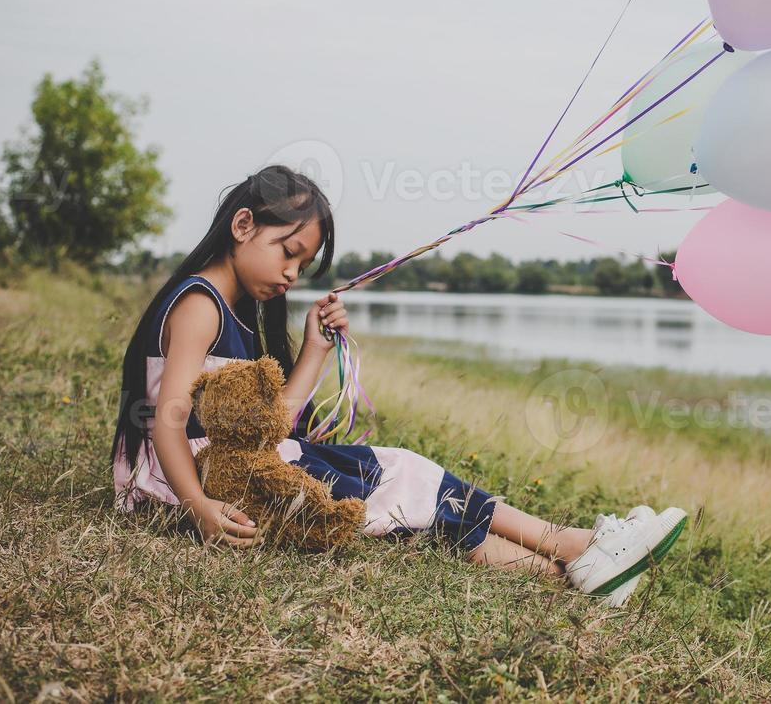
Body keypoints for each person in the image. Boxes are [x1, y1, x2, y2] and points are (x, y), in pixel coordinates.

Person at [110, 165, 686, 605]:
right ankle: (579, 545)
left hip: (230, 469)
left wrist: (314, 348)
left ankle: (569, 573)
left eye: (301, 266)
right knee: (401, 474)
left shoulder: (231, 310)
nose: (291, 274)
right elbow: (167, 419)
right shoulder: (199, 305)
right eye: (288, 254)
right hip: (189, 481)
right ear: (243, 226)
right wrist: (200, 507)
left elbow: (270, 425)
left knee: (404, 515)